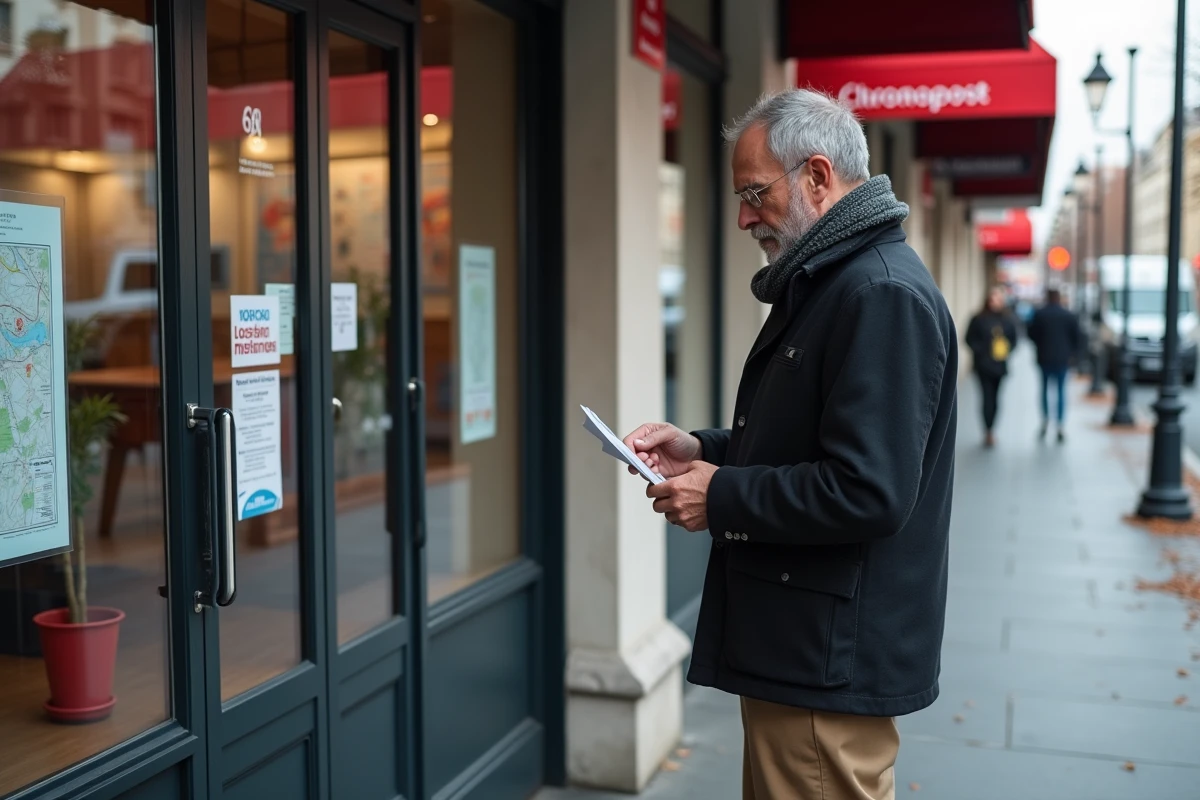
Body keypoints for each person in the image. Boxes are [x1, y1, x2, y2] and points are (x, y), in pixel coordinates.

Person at [622, 89, 957, 800]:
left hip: (823, 659)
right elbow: (809, 441)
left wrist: (720, 494)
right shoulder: (844, 282)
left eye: (753, 192)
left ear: (816, 175)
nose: (744, 216)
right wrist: (701, 447)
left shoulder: (878, 294)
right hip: (810, 646)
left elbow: (867, 489)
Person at [1027, 287, 1083, 443]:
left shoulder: (1040, 314)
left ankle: (1045, 420)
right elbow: (1077, 338)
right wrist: (1073, 355)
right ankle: (1060, 424)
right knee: (1060, 391)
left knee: (1044, 390)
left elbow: (1031, 334)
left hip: (1044, 358)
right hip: (1062, 359)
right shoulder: (1068, 315)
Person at [965, 287, 1018, 448]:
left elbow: (1014, 340)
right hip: (983, 366)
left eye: (999, 298)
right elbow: (968, 338)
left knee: (996, 398)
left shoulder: (1007, 320)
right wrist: (981, 350)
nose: (996, 301)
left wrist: (1005, 349)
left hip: (999, 366)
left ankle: (992, 427)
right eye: (993, 298)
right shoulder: (978, 319)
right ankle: (987, 430)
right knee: (986, 397)